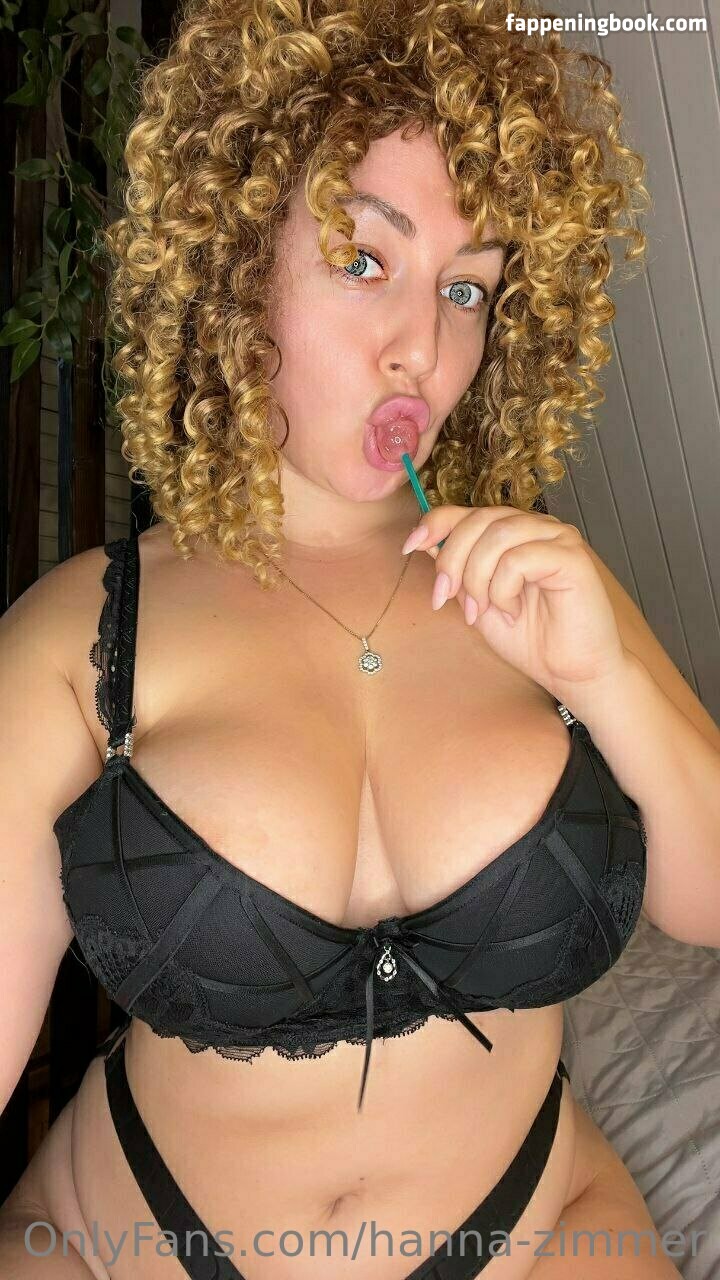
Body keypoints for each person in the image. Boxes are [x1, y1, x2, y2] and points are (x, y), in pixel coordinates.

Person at [4, 0, 717, 1276]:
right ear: (237, 264)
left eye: (466, 288)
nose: (422, 349)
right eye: (364, 259)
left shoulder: (546, 589)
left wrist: (607, 676)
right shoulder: (78, 635)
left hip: (536, 1231)